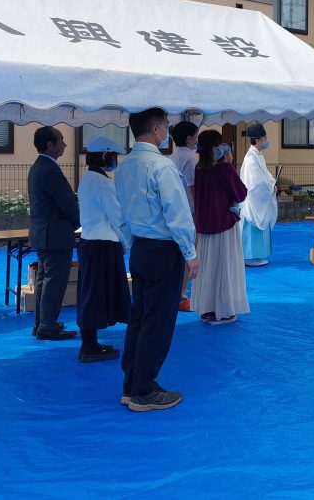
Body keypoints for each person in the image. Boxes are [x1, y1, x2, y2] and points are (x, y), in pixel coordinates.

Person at [115, 108, 199, 413]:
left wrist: (128, 244)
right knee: (158, 323)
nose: (167, 131)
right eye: (165, 126)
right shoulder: (160, 167)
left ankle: (132, 384)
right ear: (154, 128)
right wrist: (190, 253)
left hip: (140, 248)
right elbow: (177, 213)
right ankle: (144, 390)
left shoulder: (125, 167)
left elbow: (121, 212)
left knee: (139, 319)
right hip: (164, 250)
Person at [75, 136, 132, 363]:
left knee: (90, 294)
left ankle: (90, 343)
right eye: (114, 156)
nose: (115, 160)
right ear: (105, 155)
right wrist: (127, 243)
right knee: (96, 296)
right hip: (103, 245)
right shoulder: (103, 183)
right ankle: (89, 347)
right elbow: (117, 217)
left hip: (91, 242)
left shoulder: (87, 179)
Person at [28, 126, 80, 341]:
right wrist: (81, 221)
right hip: (55, 235)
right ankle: (46, 326)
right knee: (54, 282)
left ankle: (42, 323)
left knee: (44, 280)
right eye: (60, 140)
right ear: (49, 144)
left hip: (44, 233)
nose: (65, 144)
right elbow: (65, 201)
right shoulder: (49, 169)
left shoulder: (39, 167)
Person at [192, 131, 249, 325]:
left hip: (204, 225)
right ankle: (223, 310)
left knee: (207, 268)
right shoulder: (224, 169)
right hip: (224, 223)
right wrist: (230, 162)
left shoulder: (198, 169)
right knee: (224, 266)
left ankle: (207, 309)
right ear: (217, 148)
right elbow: (241, 193)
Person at [170, 121, 199, 312]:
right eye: (196, 135)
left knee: (176, 255)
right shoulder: (190, 158)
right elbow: (192, 187)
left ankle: (176, 295)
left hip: (175, 210)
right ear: (189, 137)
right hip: (189, 211)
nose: (197, 139)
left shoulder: (173, 157)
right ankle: (181, 297)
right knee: (188, 254)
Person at [239, 123, 278, 267]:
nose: (266, 140)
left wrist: (272, 183)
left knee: (260, 225)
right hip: (253, 201)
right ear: (258, 140)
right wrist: (270, 186)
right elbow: (255, 183)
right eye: (264, 138)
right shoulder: (250, 159)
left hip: (261, 198)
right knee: (253, 225)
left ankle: (257, 255)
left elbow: (265, 175)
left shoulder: (257, 156)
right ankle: (250, 256)